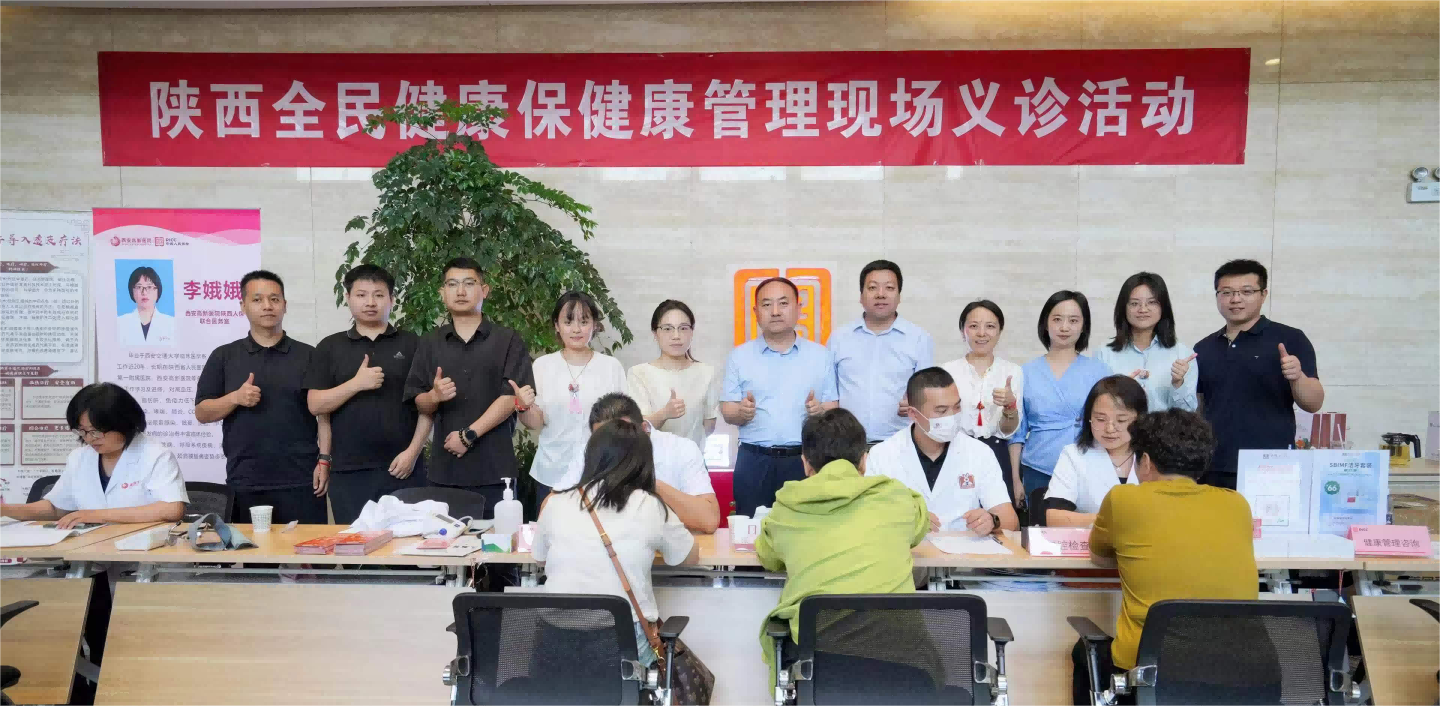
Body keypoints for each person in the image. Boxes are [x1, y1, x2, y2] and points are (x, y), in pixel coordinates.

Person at [1076, 409, 1257, 706]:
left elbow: (1099, 557)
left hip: (1151, 673)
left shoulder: (1124, 499)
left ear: (1146, 461)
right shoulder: (1237, 504)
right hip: (1239, 674)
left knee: (1082, 652)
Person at [756, 407, 928, 666]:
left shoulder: (786, 507)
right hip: (903, 665)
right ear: (864, 460)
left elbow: (769, 557)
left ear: (805, 463)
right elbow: (918, 528)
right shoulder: (898, 497)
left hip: (819, 666)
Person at [534, 419, 699, 669]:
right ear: (642, 462)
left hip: (554, 646)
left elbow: (539, 557)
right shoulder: (649, 505)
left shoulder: (555, 502)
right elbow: (688, 556)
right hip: (623, 648)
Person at [195, 270, 329, 524]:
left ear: (284, 305)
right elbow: (202, 412)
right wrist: (235, 398)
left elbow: (323, 415)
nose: (267, 306)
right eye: (257, 300)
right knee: (251, 549)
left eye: (274, 299)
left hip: (302, 480)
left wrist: (324, 461)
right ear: (243, 306)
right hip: (246, 480)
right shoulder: (224, 356)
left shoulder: (309, 355)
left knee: (307, 549)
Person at [304, 264, 432, 524]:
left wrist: (413, 453)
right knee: (355, 544)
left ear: (392, 299)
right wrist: (356, 384)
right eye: (361, 295)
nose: (370, 302)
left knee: (408, 544)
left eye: (379, 295)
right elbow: (317, 406)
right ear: (348, 298)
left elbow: (427, 407)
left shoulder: (414, 344)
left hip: (404, 468)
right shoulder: (330, 347)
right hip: (349, 472)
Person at [405, 258, 533, 515]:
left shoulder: (508, 339)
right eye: (452, 284)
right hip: (444, 471)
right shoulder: (429, 343)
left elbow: (511, 397)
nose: (460, 291)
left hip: (496, 471)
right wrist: (434, 396)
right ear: (442, 293)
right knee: (443, 539)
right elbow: (419, 401)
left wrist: (468, 435)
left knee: (498, 539)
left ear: (484, 290)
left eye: (469, 283)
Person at [1195, 259, 1323, 489]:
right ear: (1217, 296)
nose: (1235, 299)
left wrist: (1298, 377)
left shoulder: (1290, 339)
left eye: (1246, 292)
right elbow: (1200, 407)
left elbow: (1314, 403)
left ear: (1263, 295)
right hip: (1212, 465)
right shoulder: (1204, 347)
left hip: (1270, 465)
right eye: (1227, 292)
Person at [721, 277, 838, 516]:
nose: (775, 311)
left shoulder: (821, 356)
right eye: (767, 304)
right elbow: (727, 411)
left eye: (783, 303)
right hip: (754, 461)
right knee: (751, 531)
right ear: (756, 312)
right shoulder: (739, 357)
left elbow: (833, 407)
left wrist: (819, 411)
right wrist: (741, 412)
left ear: (798, 308)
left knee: (806, 530)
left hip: (806, 460)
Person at [0, 382, 187, 528]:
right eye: (82, 431)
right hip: (88, 554)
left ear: (124, 423)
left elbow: (172, 509)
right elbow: (56, 508)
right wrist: (5, 510)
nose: (89, 439)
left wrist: (94, 515)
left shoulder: (155, 455)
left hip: (142, 555)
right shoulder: (80, 457)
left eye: (96, 431)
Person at [868, 367, 1019, 533]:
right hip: (906, 547)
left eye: (957, 407)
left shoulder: (979, 452)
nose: (951, 417)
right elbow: (867, 518)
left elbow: (1010, 520)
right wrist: (902, 520)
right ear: (913, 414)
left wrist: (992, 521)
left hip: (963, 546)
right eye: (941, 411)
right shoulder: (882, 455)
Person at [552, 393, 721, 533]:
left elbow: (709, 520)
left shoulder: (681, 448)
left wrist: (646, 480)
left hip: (672, 557)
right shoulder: (587, 452)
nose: (611, 447)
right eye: (602, 440)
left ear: (644, 428)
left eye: (622, 436)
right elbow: (550, 508)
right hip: (607, 554)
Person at [517, 291, 626, 504]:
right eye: (568, 322)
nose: (576, 329)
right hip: (551, 472)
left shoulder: (611, 367)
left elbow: (623, 421)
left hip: (600, 473)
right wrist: (523, 406)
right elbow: (535, 423)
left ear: (595, 325)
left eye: (584, 322)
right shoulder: (542, 366)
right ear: (557, 326)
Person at [1011, 291, 1112, 513]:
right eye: (1057, 319)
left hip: (1088, 466)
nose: (1064, 327)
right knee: (1041, 532)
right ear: (1045, 324)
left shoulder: (1100, 371)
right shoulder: (1025, 372)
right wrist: (1016, 480)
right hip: (1038, 469)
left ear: (1084, 326)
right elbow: (1017, 433)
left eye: (1073, 320)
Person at [828, 260, 934, 443]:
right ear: (861, 296)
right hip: (847, 443)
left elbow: (927, 395)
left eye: (889, 288)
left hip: (900, 442)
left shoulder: (919, 339)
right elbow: (829, 395)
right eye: (872, 288)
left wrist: (914, 403)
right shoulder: (839, 338)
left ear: (899, 296)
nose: (881, 294)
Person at [940, 300, 1024, 507]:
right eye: (974, 326)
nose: (981, 333)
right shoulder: (947, 371)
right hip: (955, 451)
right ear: (963, 331)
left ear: (999, 332)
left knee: (998, 515)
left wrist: (1010, 406)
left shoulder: (1012, 371)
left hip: (996, 452)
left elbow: (1008, 432)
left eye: (990, 326)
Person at [1045, 375, 1147, 527]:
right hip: (1090, 541)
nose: (1110, 429)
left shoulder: (1153, 454)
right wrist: (1114, 521)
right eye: (1100, 419)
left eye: (1121, 420)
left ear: (1140, 419)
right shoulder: (1074, 455)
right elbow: (1054, 518)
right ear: (1089, 418)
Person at [1096, 272, 1198, 413]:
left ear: (1163, 307)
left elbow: (1188, 414)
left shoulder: (1183, 354)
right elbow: (1097, 409)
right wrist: (1119, 394)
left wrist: (1178, 383)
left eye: (1152, 302)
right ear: (1123, 308)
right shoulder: (1104, 354)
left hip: (1165, 428)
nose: (1143, 309)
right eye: (1134, 303)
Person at [626, 300, 720, 451]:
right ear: (655, 334)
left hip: (694, 460)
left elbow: (708, 426)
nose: (676, 336)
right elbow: (637, 429)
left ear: (692, 332)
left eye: (683, 328)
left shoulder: (707, 372)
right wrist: (664, 414)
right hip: (652, 461)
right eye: (667, 329)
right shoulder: (638, 373)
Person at [117, 265, 175, 346]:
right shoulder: (119, 323)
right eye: (139, 287)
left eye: (149, 287)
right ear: (132, 291)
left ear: (158, 291)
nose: (144, 292)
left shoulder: (171, 324)